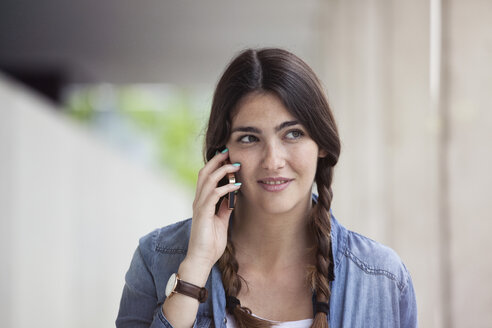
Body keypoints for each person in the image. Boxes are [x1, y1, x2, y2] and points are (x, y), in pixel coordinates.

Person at [116, 48, 417, 328]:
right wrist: (195, 268)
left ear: (321, 144)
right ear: (223, 152)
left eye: (293, 134)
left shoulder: (381, 278)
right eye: (249, 138)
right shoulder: (157, 258)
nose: (273, 161)